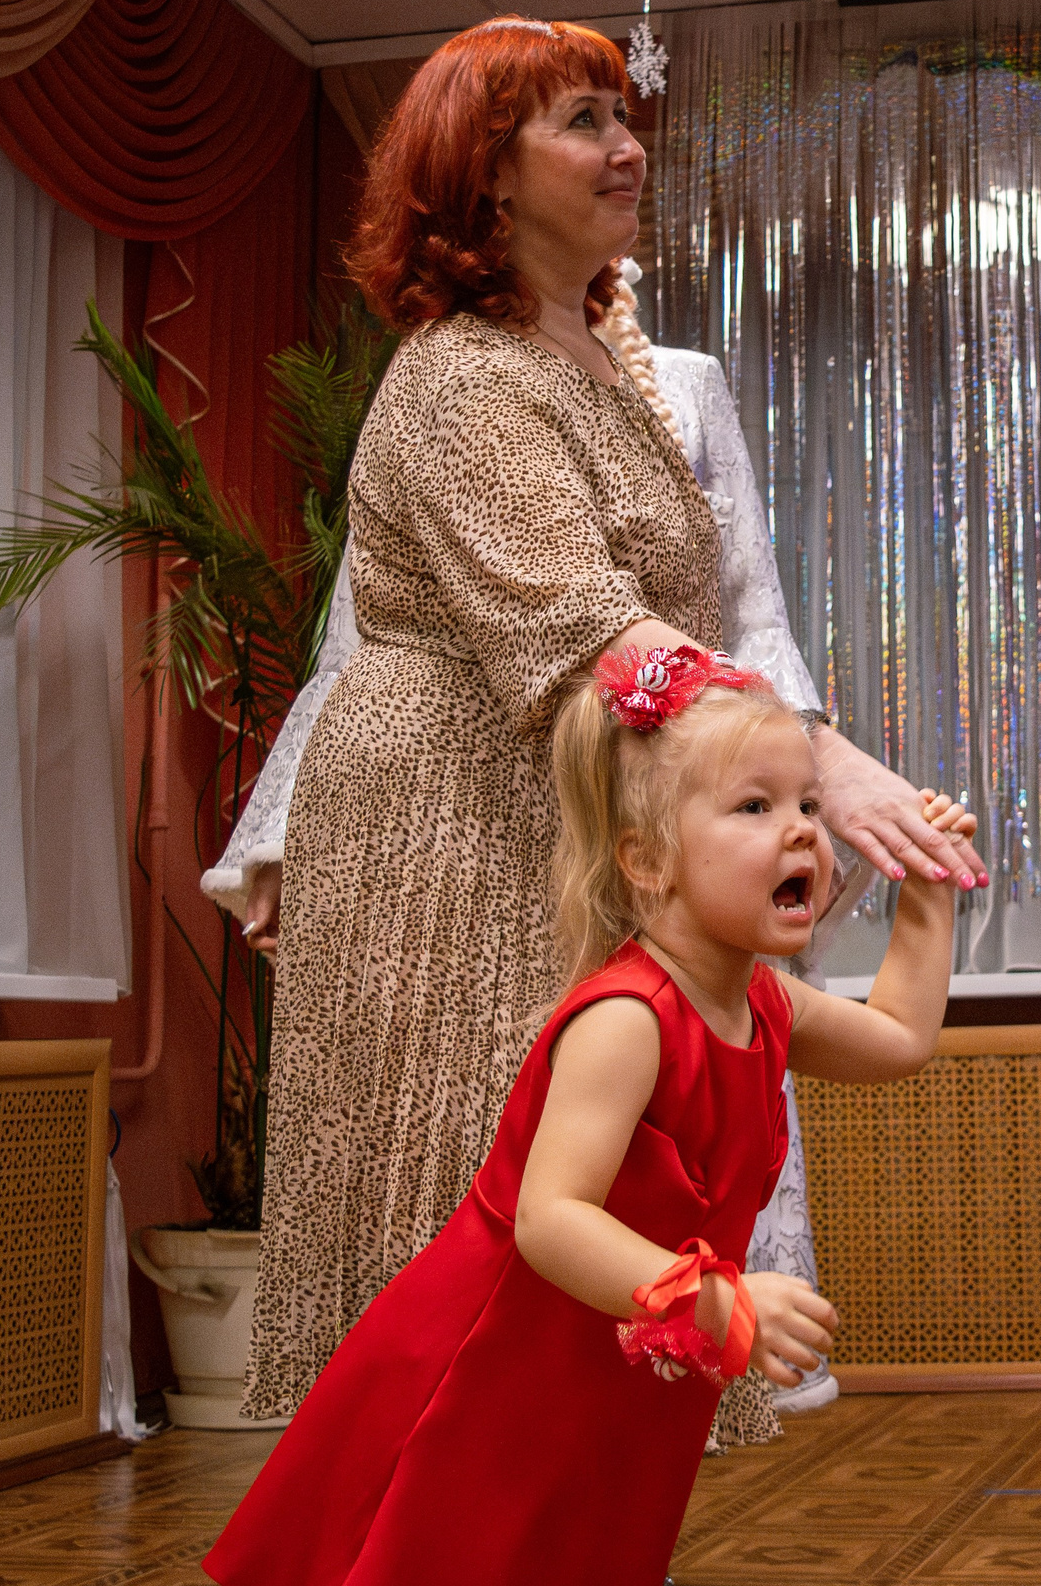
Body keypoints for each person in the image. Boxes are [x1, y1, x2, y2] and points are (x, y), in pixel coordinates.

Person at [233, 16, 986, 1424]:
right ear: (489, 175)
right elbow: (602, 636)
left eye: (624, 115)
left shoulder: (597, 365)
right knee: (486, 1218)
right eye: (582, 120)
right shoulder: (463, 373)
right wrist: (818, 762)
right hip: (446, 831)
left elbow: (681, 627)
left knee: (584, 1215)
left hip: (565, 818)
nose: (627, 143)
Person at [204, 648, 974, 1585]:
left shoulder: (763, 1004)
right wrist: (722, 1303)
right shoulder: (628, 1018)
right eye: (755, 807)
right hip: (493, 1376)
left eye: (809, 805)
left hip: (609, 1376)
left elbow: (896, 1037)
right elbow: (549, 1217)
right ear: (646, 861)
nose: (804, 832)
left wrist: (927, 899)